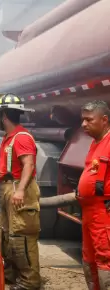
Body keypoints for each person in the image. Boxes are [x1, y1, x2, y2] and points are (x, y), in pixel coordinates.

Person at [0, 93, 40, 290]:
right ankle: (12, 277)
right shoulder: (9, 138)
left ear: (3, 116)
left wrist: (20, 191)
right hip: (8, 188)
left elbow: (28, 164)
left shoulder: (21, 137)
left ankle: (30, 282)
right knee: (7, 235)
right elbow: (0, 165)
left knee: (21, 236)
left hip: (18, 189)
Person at [77, 100, 110, 289]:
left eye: (89, 120)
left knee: (105, 258)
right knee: (89, 257)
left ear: (104, 120)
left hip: (103, 213)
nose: (83, 124)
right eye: (83, 120)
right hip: (89, 213)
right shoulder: (95, 144)